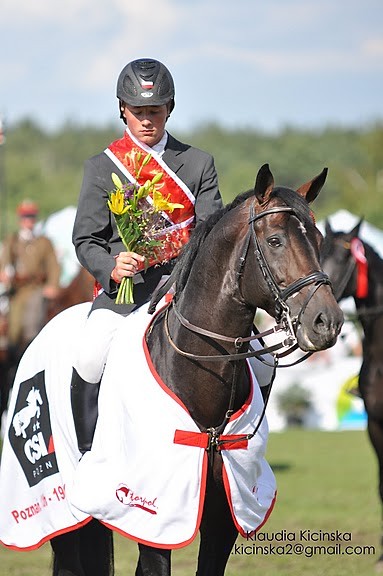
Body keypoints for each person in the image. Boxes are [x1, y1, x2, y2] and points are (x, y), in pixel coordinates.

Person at [71, 58, 224, 453]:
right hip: (128, 290)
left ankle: (241, 448)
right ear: (122, 108)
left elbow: (211, 233)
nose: (146, 120)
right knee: (89, 357)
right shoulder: (102, 167)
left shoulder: (198, 163)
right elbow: (86, 239)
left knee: (257, 361)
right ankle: (88, 453)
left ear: (169, 109)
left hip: (185, 290)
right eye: (137, 111)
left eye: (154, 111)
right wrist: (111, 265)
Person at [0, 200, 61, 359]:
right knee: (13, 329)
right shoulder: (12, 241)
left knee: (31, 325)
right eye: (25, 216)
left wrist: (52, 285)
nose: (28, 220)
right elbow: (5, 262)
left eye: (31, 216)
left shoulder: (43, 242)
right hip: (17, 290)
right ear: (20, 218)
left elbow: (53, 265)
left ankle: (31, 354)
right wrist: (4, 274)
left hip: (36, 288)